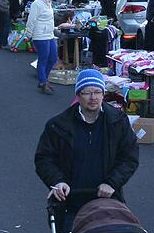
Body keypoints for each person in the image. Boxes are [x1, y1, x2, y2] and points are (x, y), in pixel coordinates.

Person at [35, 68, 140, 225]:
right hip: (70, 203)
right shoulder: (57, 125)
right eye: (87, 93)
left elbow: (129, 157)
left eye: (97, 92)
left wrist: (112, 183)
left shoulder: (118, 121)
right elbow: (44, 159)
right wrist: (58, 181)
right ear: (78, 95)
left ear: (103, 94)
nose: (93, 98)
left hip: (108, 200)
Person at [27, 0, 58, 94]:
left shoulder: (47, 3)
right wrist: (29, 35)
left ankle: (44, 79)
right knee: (43, 59)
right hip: (40, 35)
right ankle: (43, 82)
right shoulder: (37, 4)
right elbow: (31, 20)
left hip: (49, 34)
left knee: (53, 58)